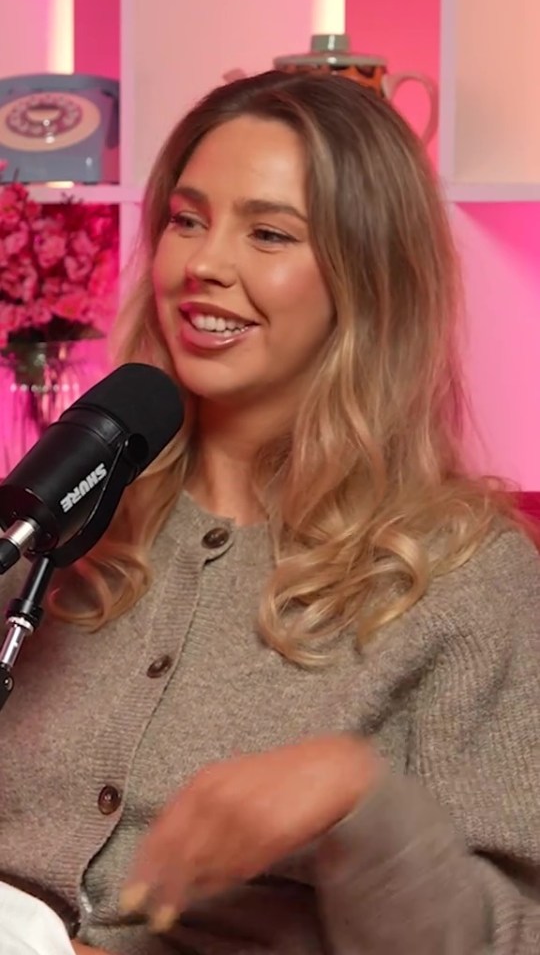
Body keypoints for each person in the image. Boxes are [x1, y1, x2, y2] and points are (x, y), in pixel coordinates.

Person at [0, 69, 538, 955]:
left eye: (269, 233)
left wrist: (359, 801)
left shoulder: (465, 581)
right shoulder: (70, 515)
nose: (205, 264)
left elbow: (515, 937)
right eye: (186, 219)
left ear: (367, 280)